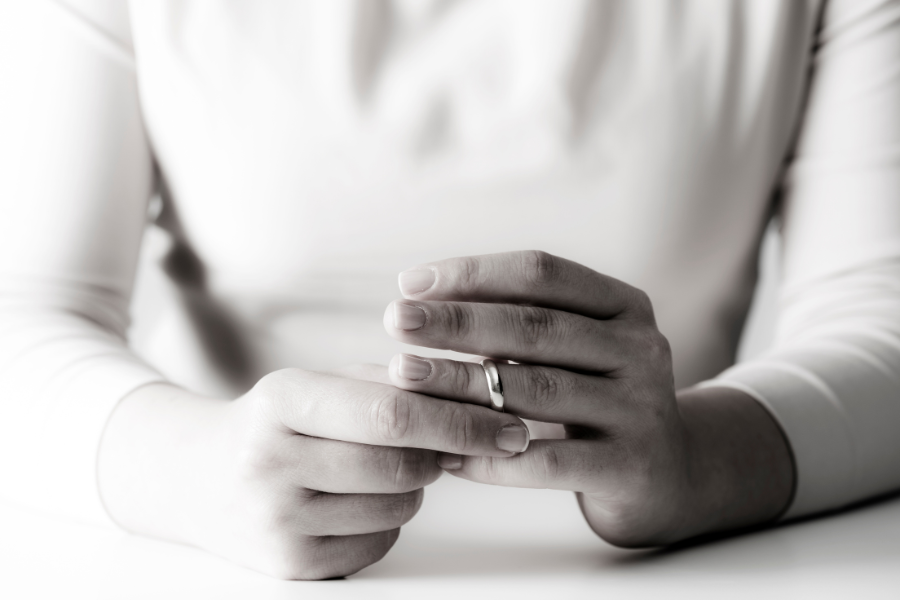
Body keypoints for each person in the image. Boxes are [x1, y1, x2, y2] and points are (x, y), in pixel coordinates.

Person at [1, 0, 899, 581]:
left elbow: (884, 319)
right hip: (195, 570)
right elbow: (22, 307)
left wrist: (703, 462)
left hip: (698, 568)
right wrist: (195, 467)